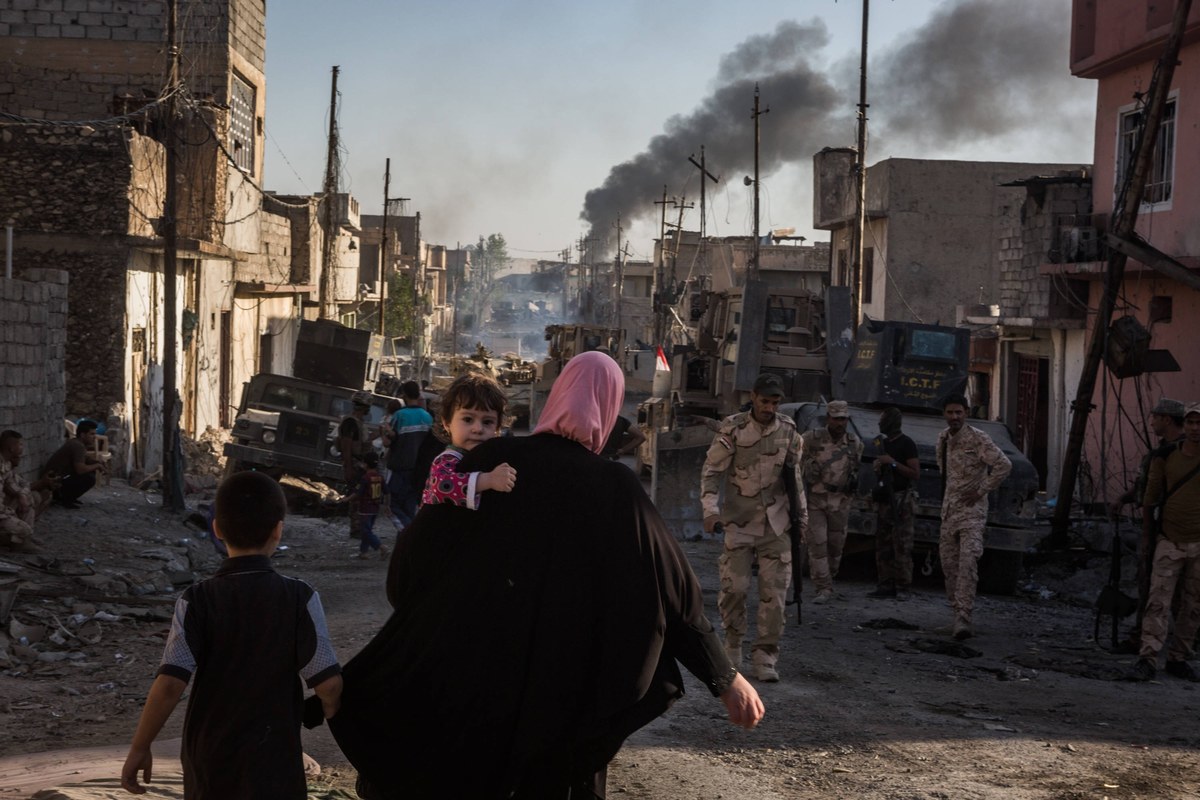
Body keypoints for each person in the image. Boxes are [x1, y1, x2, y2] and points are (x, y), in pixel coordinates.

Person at [321, 351, 763, 798]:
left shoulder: (487, 464)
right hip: (567, 692)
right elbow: (674, 594)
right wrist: (724, 678)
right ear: (609, 408)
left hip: (482, 684)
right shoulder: (615, 489)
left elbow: (409, 570)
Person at [120, 470, 343, 798]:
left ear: (217, 529)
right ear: (278, 531)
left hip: (210, 754)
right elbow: (328, 682)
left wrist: (140, 746)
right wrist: (329, 706)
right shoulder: (300, 598)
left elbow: (169, 683)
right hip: (274, 754)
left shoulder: (196, 600)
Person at [701, 372, 805, 682]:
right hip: (739, 521)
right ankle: (732, 646)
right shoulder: (733, 429)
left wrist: (802, 522)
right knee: (735, 588)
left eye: (775, 402)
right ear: (753, 398)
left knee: (774, 594)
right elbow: (711, 472)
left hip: (777, 524)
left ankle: (765, 657)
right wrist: (710, 510)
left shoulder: (789, 431)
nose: (769, 408)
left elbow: (795, 480)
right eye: (764, 401)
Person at [1130, 402, 1200, 682]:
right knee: (1158, 601)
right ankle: (1148, 657)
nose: (1196, 428)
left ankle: (1178, 657)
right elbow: (1149, 498)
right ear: (1184, 425)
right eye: (1191, 422)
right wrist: (1148, 537)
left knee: (1193, 605)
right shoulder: (1165, 456)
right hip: (1169, 540)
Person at [1111, 397, 1185, 653]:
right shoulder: (1161, 452)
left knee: (1160, 588)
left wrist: (1146, 537)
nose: (1151, 421)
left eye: (1155, 417)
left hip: (1166, 530)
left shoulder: (1181, 453)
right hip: (1163, 529)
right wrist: (1125, 497)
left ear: (1166, 419)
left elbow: (1154, 499)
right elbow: (1146, 487)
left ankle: (1151, 640)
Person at [936, 393, 1012, 640]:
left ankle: (964, 619)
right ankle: (955, 614)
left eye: (959, 412)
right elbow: (944, 472)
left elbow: (1003, 465)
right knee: (950, 567)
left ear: (966, 413)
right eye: (950, 412)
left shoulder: (978, 438)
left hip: (972, 514)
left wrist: (980, 490)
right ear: (944, 414)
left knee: (968, 563)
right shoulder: (943, 439)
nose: (954, 417)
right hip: (949, 513)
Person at [420, 371, 517, 508]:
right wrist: (488, 480)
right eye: (468, 419)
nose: (478, 429)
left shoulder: (491, 458)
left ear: (498, 427)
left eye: (487, 422)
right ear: (447, 423)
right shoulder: (448, 458)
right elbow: (441, 486)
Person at [799, 400, 863, 604]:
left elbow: (855, 470)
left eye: (843, 419)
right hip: (816, 500)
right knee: (817, 544)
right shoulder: (811, 439)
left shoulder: (854, 443)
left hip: (840, 502)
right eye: (836, 419)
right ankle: (823, 587)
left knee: (835, 547)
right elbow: (795, 462)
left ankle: (829, 579)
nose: (839, 423)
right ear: (828, 418)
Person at [868, 407, 921, 600]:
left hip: (901, 499)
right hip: (884, 499)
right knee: (883, 544)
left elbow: (915, 474)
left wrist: (892, 463)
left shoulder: (907, 444)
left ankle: (903, 587)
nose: (880, 423)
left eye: (883, 419)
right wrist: (879, 466)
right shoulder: (882, 443)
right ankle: (885, 585)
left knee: (902, 544)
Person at [384, 381, 434, 526]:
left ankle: (408, 532)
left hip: (400, 468)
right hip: (419, 471)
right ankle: (406, 543)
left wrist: (386, 432)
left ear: (404, 395)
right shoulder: (427, 417)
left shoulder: (400, 415)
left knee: (392, 507)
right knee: (409, 508)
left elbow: (388, 442)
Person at [1, 430, 57, 553]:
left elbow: (15, 485)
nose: (22, 448)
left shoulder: (5, 464)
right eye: (20, 444)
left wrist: (22, 495)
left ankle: (23, 540)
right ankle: (18, 539)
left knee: (28, 498)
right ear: (11, 448)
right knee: (24, 530)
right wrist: (8, 514)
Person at [41, 419, 105, 508]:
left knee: (90, 472)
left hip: (58, 480)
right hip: (52, 484)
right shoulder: (77, 446)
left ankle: (68, 497)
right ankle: (64, 499)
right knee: (88, 478)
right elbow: (80, 469)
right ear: (82, 435)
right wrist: (97, 466)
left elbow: (85, 459)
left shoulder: (77, 443)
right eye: (91, 434)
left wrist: (96, 462)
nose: (94, 437)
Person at [338, 391, 374, 539]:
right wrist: (349, 468)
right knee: (355, 496)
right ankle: (356, 529)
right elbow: (346, 446)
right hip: (354, 463)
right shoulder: (350, 422)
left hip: (360, 464)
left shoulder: (358, 423)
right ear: (364, 407)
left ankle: (359, 527)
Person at [356, 451, 387, 561]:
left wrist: (346, 499)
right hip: (375, 508)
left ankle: (380, 546)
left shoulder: (365, 478)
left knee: (365, 531)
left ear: (365, 464)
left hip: (365, 508)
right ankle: (363, 552)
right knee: (367, 530)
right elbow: (386, 491)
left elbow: (359, 494)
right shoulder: (380, 477)